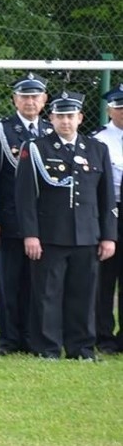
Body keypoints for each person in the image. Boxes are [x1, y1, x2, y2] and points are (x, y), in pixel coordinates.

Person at [15, 91, 115, 360]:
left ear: (80, 118)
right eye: (60, 116)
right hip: (50, 235)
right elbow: (25, 198)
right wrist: (31, 234)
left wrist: (108, 236)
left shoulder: (97, 149)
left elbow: (106, 199)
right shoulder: (36, 148)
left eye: (70, 116)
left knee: (83, 295)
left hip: (87, 234)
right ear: (52, 118)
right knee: (47, 294)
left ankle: (81, 348)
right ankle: (47, 347)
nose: (66, 122)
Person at [0, 73, 51, 356]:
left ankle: (32, 337)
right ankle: (9, 340)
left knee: (38, 284)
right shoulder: (0, 130)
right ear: (14, 99)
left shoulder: (51, 129)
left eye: (35, 96)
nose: (30, 101)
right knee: (10, 282)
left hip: (46, 222)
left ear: (44, 100)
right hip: (11, 219)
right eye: (24, 96)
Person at [91, 83, 123, 355]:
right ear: (109, 109)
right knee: (104, 278)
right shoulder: (98, 140)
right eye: (119, 107)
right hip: (110, 210)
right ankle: (103, 335)